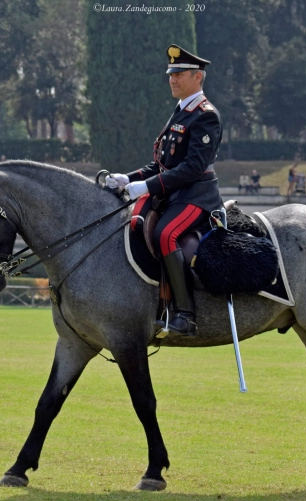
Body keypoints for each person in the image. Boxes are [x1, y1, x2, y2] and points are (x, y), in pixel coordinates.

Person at [105, 44, 222, 337]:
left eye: (179, 74)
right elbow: (163, 163)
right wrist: (126, 178)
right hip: (173, 194)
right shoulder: (180, 111)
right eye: (171, 73)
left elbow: (193, 168)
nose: (172, 79)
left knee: (165, 234)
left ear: (197, 77)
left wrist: (145, 186)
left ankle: (185, 314)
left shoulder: (205, 115)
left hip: (197, 195)